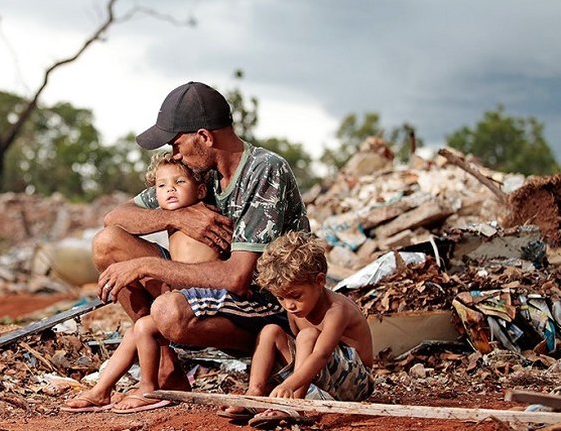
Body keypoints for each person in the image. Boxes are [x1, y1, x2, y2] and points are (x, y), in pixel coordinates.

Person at [93, 81, 310, 395]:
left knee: (168, 312)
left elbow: (237, 278)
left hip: (266, 306)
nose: (175, 155)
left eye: (177, 144)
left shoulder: (264, 170)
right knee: (107, 242)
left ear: (205, 137)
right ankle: (167, 368)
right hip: (210, 295)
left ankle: (267, 362)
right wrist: (175, 217)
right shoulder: (198, 170)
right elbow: (115, 217)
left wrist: (144, 266)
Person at [62, 152, 219, 413]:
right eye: (162, 186)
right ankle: (101, 390)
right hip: (179, 287)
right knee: (136, 330)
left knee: (143, 327)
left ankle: (149, 386)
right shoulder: (173, 205)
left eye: (179, 183)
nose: (170, 189)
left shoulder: (206, 213)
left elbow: (209, 270)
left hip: (203, 296)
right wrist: (171, 218)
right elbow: (113, 217)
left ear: (201, 190)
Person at [229, 231, 374, 428]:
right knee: (271, 331)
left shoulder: (337, 310)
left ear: (320, 281)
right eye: (281, 298)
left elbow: (321, 354)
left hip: (356, 384)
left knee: (307, 335)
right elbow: (302, 353)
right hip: (319, 381)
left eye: (296, 296)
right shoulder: (295, 310)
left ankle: (294, 406)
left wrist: (289, 384)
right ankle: (255, 394)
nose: (289, 305)